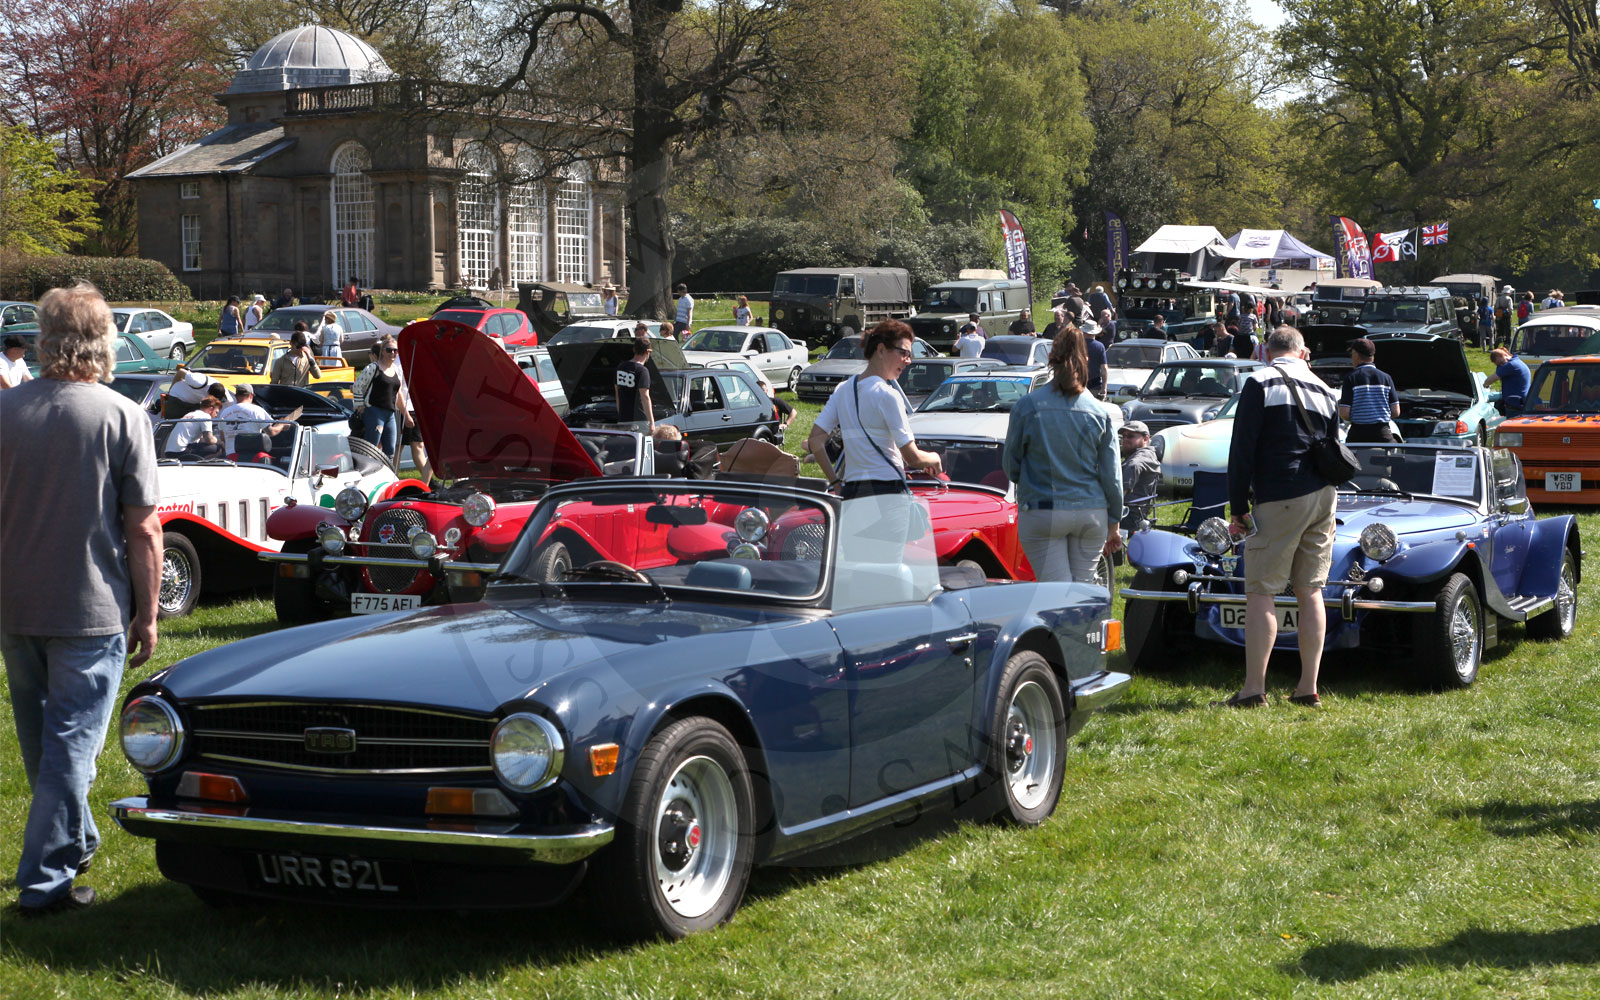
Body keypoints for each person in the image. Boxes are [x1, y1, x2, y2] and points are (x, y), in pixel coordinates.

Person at [1, 282, 160, 917]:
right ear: (105, 343)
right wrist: (148, 612)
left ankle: (77, 840)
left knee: (45, 744)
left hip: (16, 602)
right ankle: (43, 884)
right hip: (90, 607)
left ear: (44, 340)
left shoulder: (7, 411)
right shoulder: (122, 415)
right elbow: (145, 527)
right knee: (72, 747)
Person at [1223, 326, 1340, 709]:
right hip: (1324, 495)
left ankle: (1253, 689)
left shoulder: (1259, 381)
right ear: (1302, 353)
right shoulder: (1325, 389)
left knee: (1261, 591)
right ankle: (1308, 687)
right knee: (1311, 591)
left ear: (1267, 351)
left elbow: (1242, 447)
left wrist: (1237, 504)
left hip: (1280, 493)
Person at [807, 321, 942, 570]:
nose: (908, 360)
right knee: (885, 578)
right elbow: (912, 457)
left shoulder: (843, 390)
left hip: (853, 495)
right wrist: (933, 457)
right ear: (881, 350)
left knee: (858, 575)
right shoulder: (888, 395)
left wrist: (836, 483)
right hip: (887, 497)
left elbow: (815, 439)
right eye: (903, 352)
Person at [1001, 324, 1122, 582]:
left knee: (1056, 595)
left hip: (1042, 509)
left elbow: (1011, 466)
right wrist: (1114, 521)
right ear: (1086, 360)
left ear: (1051, 359)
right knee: (1081, 593)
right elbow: (1113, 477)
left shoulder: (1026, 406)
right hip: (1091, 510)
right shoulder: (1100, 412)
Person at [353, 334, 412, 456]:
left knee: (390, 450)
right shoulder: (373, 368)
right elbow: (357, 386)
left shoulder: (396, 370)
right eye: (389, 350)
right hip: (374, 412)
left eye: (396, 351)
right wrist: (360, 405)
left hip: (390, 414)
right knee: (371, 449)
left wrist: (406, 415)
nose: (393, 353)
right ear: (383, 352)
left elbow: (398, 393)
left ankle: (387, 474)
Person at [1339, 338, 1400, 443]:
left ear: (1356, 355)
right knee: (1391, 456)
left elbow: (1344, 413)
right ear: (1372, 356)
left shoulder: (1351, 378)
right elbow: (1396, 411)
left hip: (1358, 433)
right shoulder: (1386, 378)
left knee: (1350, 458)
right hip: (1383, 433)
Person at [218, 383, 290, 457]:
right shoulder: (257, 410)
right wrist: (282, 425)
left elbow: (223, 437)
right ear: (251, 395)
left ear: (236, 396)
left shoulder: (225, 412)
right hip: (252, 458)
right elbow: (271, 432)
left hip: (231, 457)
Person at [1119, 421, 1161, 531]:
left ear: (1146, 439)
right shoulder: (1145, 455)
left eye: (1131, 436)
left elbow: (1135, 464)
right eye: (1124, 436)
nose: (1125, 439)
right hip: (1131, 513)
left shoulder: (1140, 458)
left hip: (1128, 516)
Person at [615, 338, 654, 431]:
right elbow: (645, 396)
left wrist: (620, 414)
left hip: (623, 419)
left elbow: (617, 392)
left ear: (634, 350)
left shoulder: (620, 367)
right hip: (639, 421)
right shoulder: (642, 370)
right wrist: (651, 422)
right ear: (648, 351)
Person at [1486, 347, 1532, 415]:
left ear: (1505, 355)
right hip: (1521, 403)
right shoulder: (1517, 362)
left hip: (1516, 406)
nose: (1501, 365)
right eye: (1498, 365)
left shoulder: (1511, 365)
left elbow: (1490, 380)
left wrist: (1485, 384)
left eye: (1501, 362)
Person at [1084, 324, 1107, 398]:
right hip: (1095, 383)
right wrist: (1104, 386)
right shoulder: (1100, 346)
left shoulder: (1077, 344)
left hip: (1079, 382)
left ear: (1084, 332)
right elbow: (1104, 368)